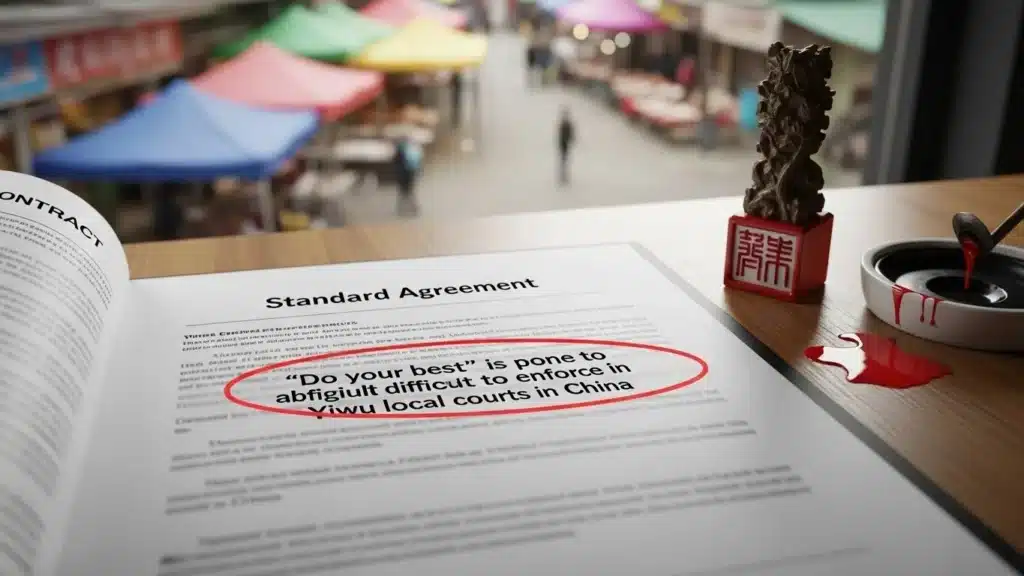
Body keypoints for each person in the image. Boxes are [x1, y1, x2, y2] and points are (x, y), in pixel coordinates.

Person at [557, 107, 575, 185]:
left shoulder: (565, 124)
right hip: (563, 143)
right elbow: (562, 134)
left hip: (564, 143)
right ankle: (563, 175)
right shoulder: (565, 124)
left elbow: (570, 133)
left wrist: (571, 139)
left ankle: (563, 175)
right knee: (564, 159)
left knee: (564, 159)